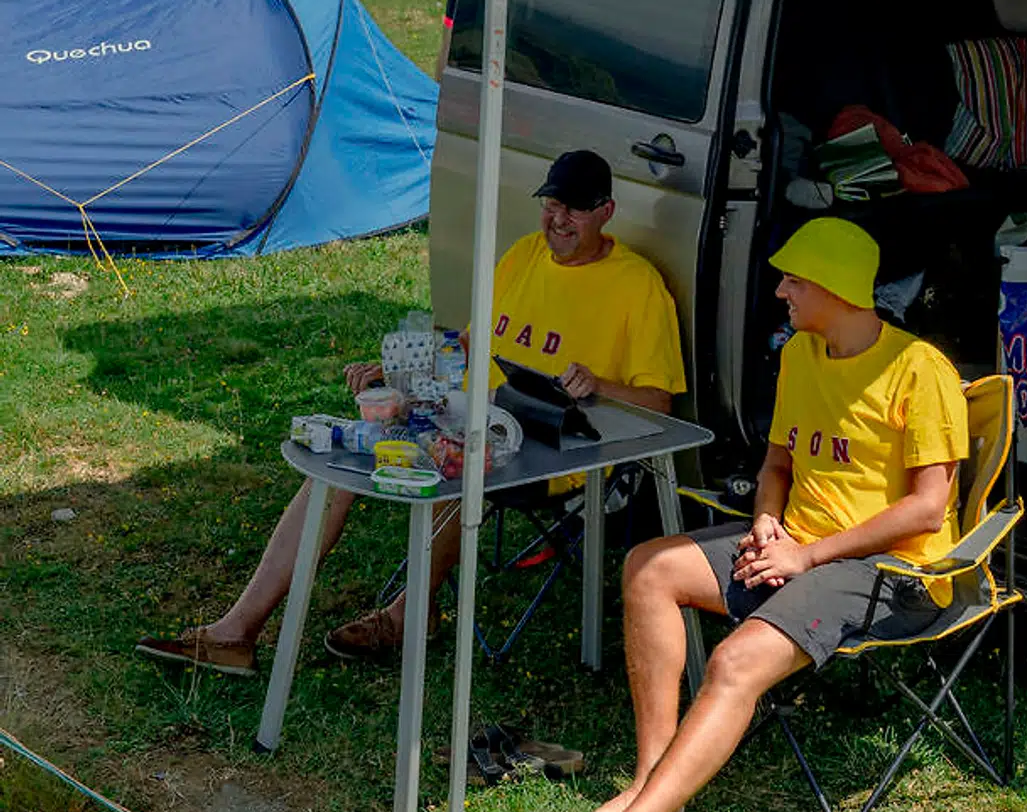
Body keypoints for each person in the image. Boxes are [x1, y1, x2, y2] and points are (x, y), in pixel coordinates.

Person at [515, 215, 969, 812]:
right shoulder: (799, 356)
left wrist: (809, 555)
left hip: (889, 570)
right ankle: (652, 783)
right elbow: (778, 463)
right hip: (796, 543)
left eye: (793, 279)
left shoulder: (918, 369)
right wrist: (765, 522)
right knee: (648, 567)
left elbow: (928, 509)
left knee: (733, 662)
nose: (780, 290)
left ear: (836, 287)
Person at [135, 151, 684, 677]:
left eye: (575, 209)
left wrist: (601, 385)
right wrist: (398, 367)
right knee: (343, 461)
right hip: (459, 416)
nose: (558, 220)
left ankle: (406, 616)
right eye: (551, 205)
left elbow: (661, 404)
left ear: (606, 211)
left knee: (459, 465)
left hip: (551, 449)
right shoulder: (523, 255)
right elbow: (467, 344)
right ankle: (237, 631)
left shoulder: (637, 287)